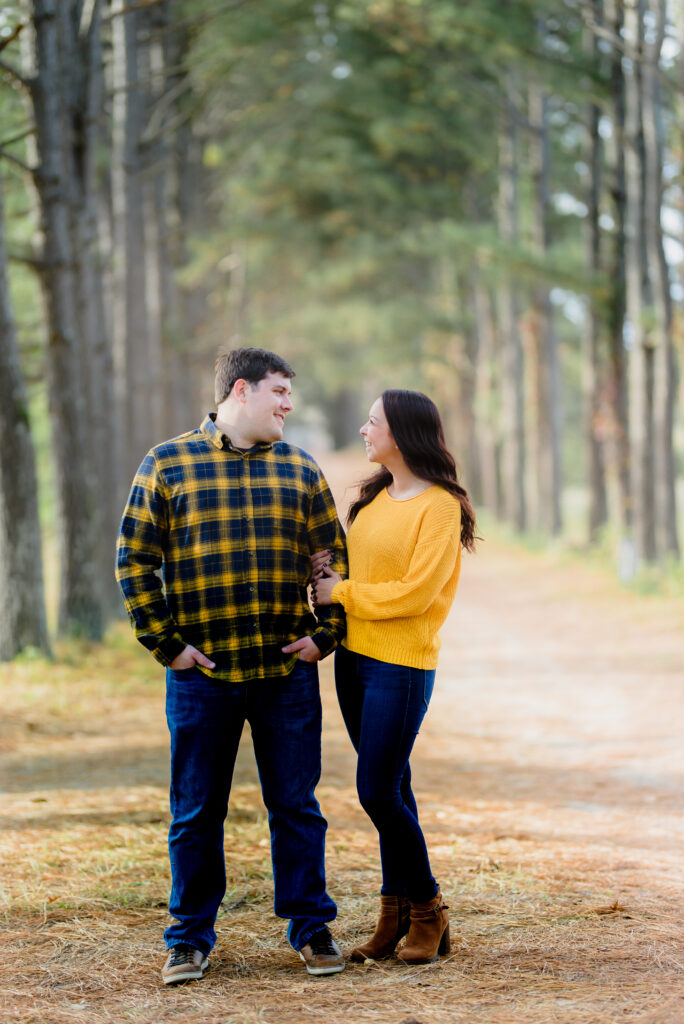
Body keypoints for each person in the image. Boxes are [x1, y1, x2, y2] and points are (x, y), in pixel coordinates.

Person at [116, 348, 348, 984]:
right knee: (195, 811)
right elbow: (134, 562)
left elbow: (330, 562)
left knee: (297, 806)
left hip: (285, 676)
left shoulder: (300, 469)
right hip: (202, 678)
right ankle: (188, 938)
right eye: (278, 392)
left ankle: (311, 928)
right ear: (239, 391)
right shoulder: (166, 464)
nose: (288, 405)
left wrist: (323, 637)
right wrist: (167, 646)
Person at [312, 388, 476, 966]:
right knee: (394, 788)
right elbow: (360, 573)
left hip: (402, 664)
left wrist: (345, 592)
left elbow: (415, 593)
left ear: (402, 432)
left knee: (376, 790)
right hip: (355, 660)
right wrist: (328, 573)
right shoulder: (376, 498)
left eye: (373, 421)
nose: (363, 428)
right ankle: (394, 915)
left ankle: (428, 908)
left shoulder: (441, 505)